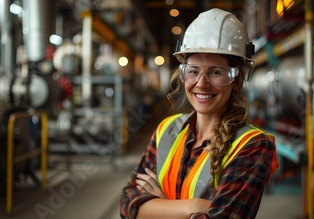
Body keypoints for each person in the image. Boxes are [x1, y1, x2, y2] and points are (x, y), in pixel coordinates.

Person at [120, 8, 279, 219]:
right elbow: (126, 204)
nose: (201, 84)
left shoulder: (252, 146)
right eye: (193, 71)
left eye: (215, 72)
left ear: (237, 80)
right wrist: (191, 207)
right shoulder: (166, 130)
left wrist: (158, 206)